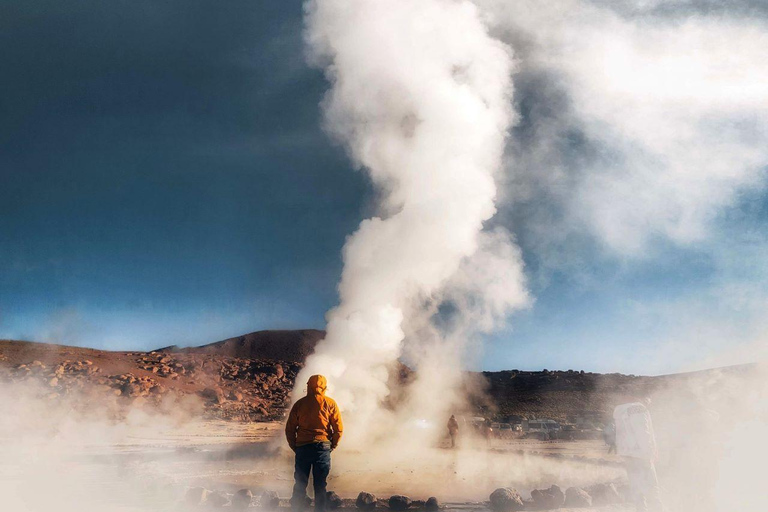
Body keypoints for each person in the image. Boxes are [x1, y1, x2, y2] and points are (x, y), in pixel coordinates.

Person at [285, 375, 343, 512]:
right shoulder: (330, 403)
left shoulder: (299, 404)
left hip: (303, 447)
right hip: (322, 446)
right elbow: (338, 429)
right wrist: (332, 445)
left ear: (308, 386)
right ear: (325, 387)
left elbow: (290, 429)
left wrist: (295, 446)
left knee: (300, 483)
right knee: (320, 485)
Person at [614, 398, 663, 512]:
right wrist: (650, 452)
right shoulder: (638, 409)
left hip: (628, 454)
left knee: (636, 486)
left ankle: (641, 509)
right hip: (641, 454)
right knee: (651, 485)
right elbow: (643, 433)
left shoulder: (621, 411)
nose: (650, 401)